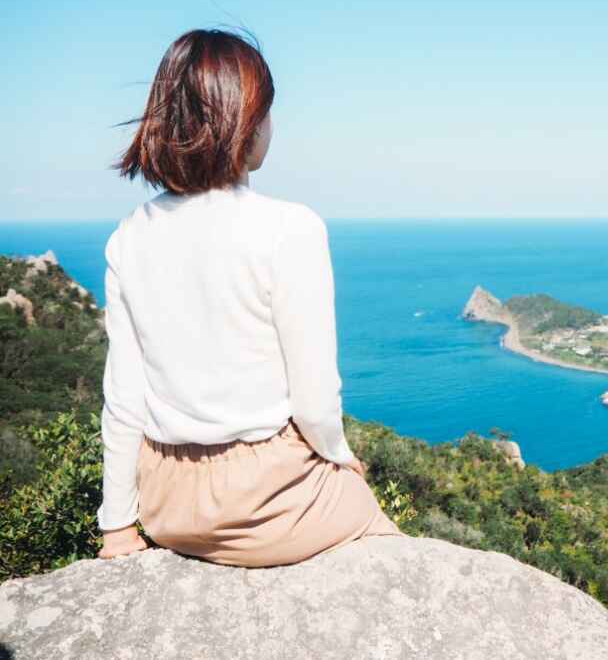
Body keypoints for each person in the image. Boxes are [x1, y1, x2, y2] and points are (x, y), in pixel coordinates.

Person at [96, 28, 405, 566]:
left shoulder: (129, 236)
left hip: (168, 502)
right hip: (268, 496)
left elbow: (124, 397)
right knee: (395, 555)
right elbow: (314, 398)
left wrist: (116, 525)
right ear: (242, 123)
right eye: (264, 112)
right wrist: (340, 457)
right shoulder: (289, 228)